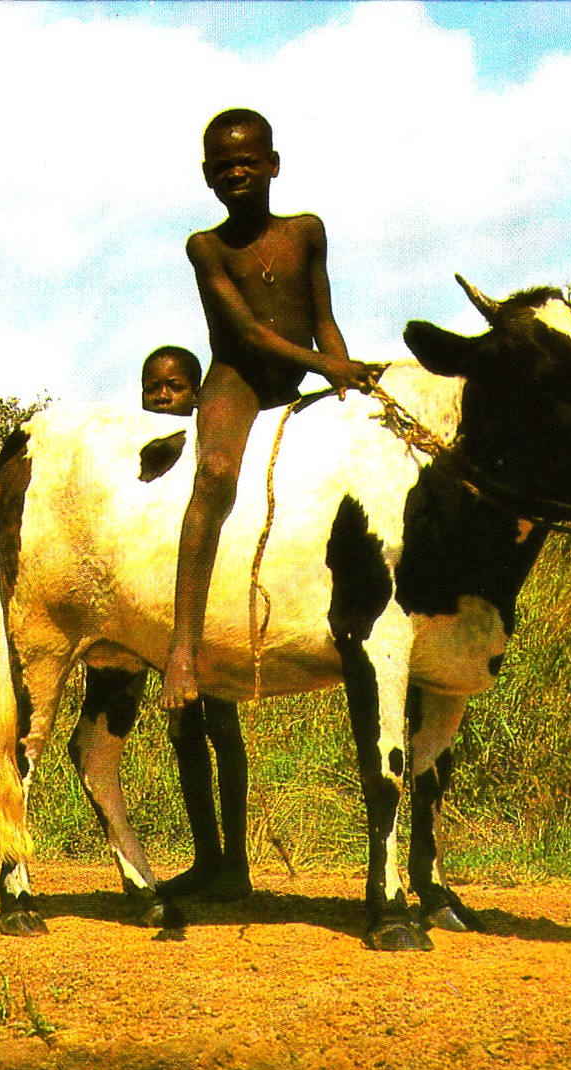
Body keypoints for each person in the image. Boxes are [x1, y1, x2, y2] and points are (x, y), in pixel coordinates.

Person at [160, 108, 379, 710]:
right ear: (207, 175)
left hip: (304, 371)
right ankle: (183, 648)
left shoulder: (306, 231)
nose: (237, 172)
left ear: (273, 165)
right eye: (223, 166)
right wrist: (327, 367)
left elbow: (324, 318)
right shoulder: (205, 247)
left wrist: (347, 381)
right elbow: (250, 336)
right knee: (216, 476)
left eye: (249, 162)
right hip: (241, 381)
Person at [141, 346, 251, 900]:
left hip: (212, 609)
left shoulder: (208, 446)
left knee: (223, 731)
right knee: (183, 732)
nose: (163, 397)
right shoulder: (139, 457)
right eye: (153, 388)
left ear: (198, 394)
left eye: (175, 387)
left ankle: (236, 862)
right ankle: (208, 855)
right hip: (165, 612)